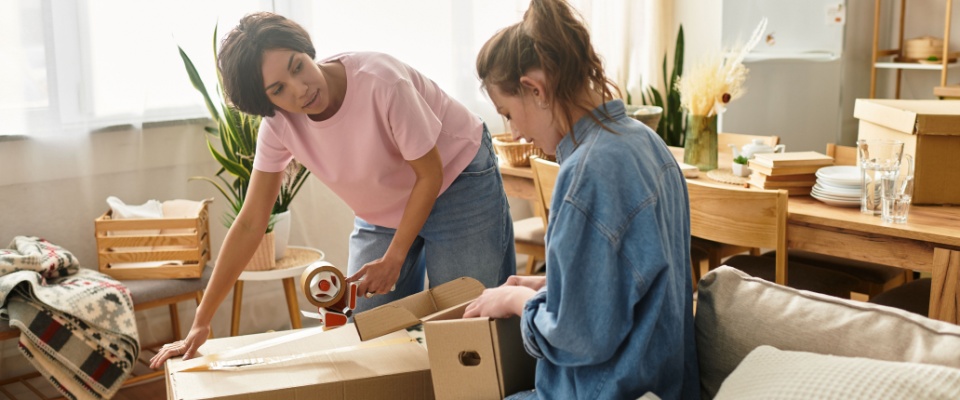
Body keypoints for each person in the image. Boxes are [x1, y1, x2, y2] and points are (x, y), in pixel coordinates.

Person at [149, 12, 515, 368]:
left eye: (297, 66)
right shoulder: (278, 126)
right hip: (383, 208)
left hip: (456, 178)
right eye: (278, 89)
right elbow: (250, 223)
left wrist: (394, 257)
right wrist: (202, 319)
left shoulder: (381, 81)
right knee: (365, 332)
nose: (301, 89)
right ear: (266, 101)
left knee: (467, 322)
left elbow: (430, 174)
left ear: (306, 49)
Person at [462, 0, 700, 399]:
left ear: (536, 89)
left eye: (507, 113)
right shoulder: (645, 142)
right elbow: (632, 280)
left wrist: (516, 299)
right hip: (663, 383)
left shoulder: (587, 176)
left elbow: (576, 339)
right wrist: (551, 285)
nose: (515, 132)